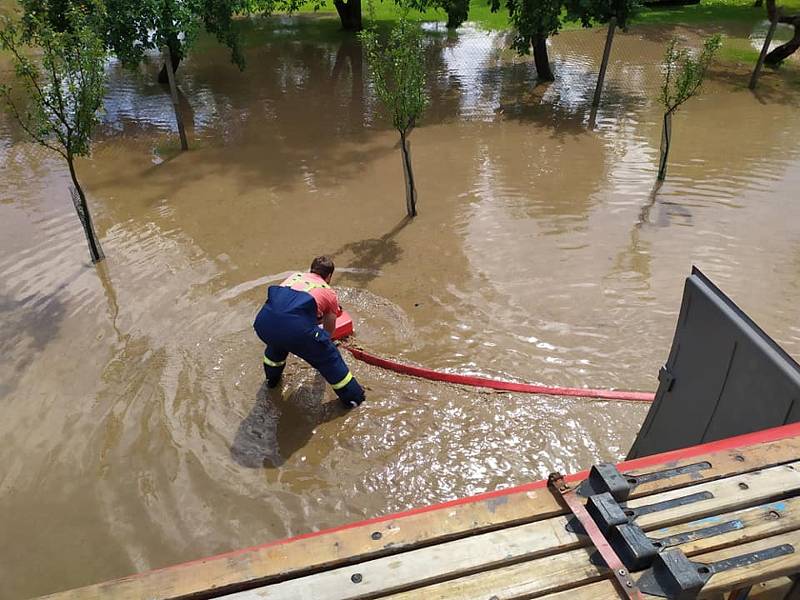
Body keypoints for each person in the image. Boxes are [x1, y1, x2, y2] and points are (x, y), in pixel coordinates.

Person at [253, 256, 366, 408]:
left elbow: (288, 309)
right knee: (330, 358)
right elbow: (329, 328)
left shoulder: (294, 277)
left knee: (277, 344)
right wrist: (324, 344)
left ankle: (272, 381)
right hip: (296, 331)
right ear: (329, 276)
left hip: (264, 323)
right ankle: (355, 398)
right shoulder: (329, 292)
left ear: (310, 270)